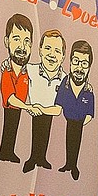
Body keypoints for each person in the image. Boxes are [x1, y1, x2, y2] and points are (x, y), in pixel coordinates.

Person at [0, 14, 33, 165]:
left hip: (20, 107)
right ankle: (4, 151)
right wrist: (27, 106)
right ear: (6, 42)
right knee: (8, 125)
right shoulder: (6, 70)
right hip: (11, 106)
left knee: (14, 127)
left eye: (27, 41)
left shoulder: (30, 72)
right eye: (17, 39)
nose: (22, 46)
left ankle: (10, 151)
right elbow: (9, 96)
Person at [23, 30, 65, 173]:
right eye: (47, 48)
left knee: (45, 130)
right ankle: (33, 158)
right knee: (35, 131)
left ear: (63, 57)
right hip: (30, 112)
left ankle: (41, 158)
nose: (52, 54)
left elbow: (59, 109)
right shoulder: (30, 69)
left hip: (48, 112)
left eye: (57, 51)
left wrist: (41, 108)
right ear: (40, 50)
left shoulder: (65, 80)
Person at [55, 40, 94, 181]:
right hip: (68, 120)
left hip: (79, 123)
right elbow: (58, 105)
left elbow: (90, 111)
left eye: (84, 63)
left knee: (76, 143)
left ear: (89, 66)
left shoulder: (88, 90)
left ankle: (74, 165)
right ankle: (68, 164)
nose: (79, 67)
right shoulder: (64, 83)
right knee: (68, 141)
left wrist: (84, 121)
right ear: (70, 62)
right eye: (76, 61)